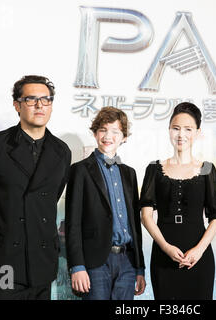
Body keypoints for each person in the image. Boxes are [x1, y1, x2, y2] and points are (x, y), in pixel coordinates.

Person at [0, 75, 71, 300]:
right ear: (17, 105)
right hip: (1, 260)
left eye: (46, 100)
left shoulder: (61, 152)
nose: (39, 105)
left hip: (40, 262)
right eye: (31, 99)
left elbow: (49, 198)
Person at [140, 102, 216, 300]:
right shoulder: (154, 168)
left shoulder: (207, 169)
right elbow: (146, 216)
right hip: (163, 254)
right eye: (176, 128)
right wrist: (165, 247)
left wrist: (199, 250)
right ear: (169, 130)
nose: (181, 135)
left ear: (197, 133)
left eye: (188, 129)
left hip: (199, 255)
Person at [65, 106, 146, 300]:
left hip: (127, 261)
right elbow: (72, 222)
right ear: (94, 133)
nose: (108, 136)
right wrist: (77, 266)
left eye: (115, 131)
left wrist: (139, 267)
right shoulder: (80, 170)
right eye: (102, 130)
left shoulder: (129, 173)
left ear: (124, 137)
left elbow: (134, 224)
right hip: (95, 262)